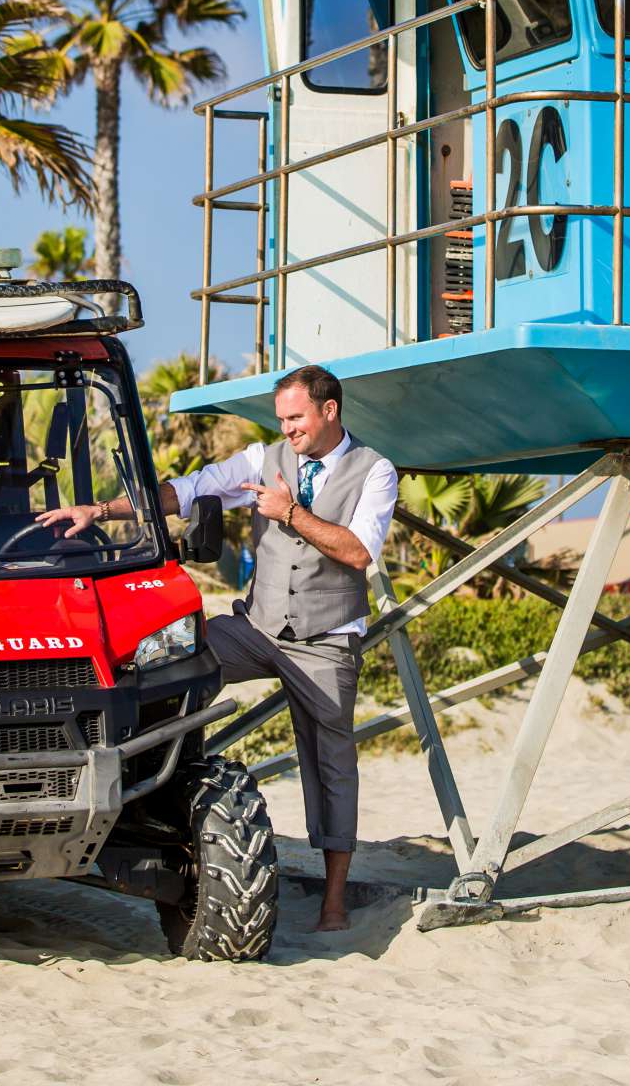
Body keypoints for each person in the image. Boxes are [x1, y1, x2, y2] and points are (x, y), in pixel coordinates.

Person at [40, 364, 394, 932]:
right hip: (256, 628)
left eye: (296, 418)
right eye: (282, 419)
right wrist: (100, 511)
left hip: (326, 640)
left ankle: (333, 901)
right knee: (163, 662)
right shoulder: (265, 458)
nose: (288, 430)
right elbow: (190, 490)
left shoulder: (375, 471)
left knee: (332, 763)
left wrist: (293, 514)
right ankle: (141, 796)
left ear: (330, 411)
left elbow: (358, 552)